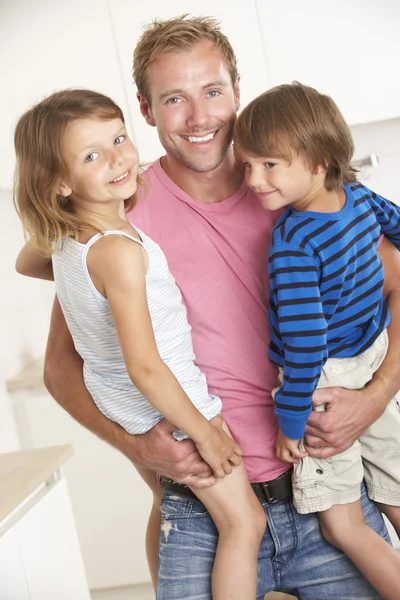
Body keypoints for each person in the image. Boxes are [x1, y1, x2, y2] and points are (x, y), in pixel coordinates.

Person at [19, 15, 400, 600]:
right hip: (203, 509)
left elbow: (396, 288)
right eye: (175, 98)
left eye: (213, 91)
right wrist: (135, 445)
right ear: (146, 111)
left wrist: (373, 398)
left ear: (238, 89)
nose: (199, 117)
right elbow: (62, 368)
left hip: (323, 489)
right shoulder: (122, 214)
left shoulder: (290, 185)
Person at [14, 88, 268, 600]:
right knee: (245, 525)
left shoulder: (71, 240)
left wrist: (83, 268)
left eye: (119, 138)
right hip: (172, 409)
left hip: (124, 407)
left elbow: (27, 261)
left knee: (167, 504)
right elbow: (147, 367)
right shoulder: (118, 254)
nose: (117, 158)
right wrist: (205, 431)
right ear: (58, 183)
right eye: (92, 155)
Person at [234, 81, 400, 600]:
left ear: (319, 160)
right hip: (373, 357)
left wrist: (288, 423)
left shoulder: (292, 243)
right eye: (247, 165)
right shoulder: (359, 199)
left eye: (269, 165)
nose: (254, 180)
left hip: (326, 380)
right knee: (396, 491)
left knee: (342, 525)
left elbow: (306, 345)